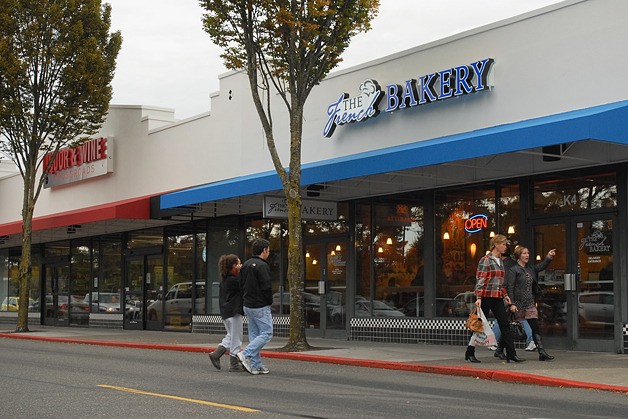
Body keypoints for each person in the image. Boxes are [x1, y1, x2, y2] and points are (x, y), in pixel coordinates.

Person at [465, 234, 524, 363]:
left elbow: (501, 283)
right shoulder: (485, 260)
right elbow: (480, 279)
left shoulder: (500, 262)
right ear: (496, 245)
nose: (505, 247)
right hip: (485, 297)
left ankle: (511, 354)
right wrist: (478, 297)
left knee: (505, 324)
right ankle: (470, 352)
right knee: (478, 324)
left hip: (497, 297)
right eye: (503, 244)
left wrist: (506, 296)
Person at [506, 245, 556, 361]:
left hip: (529, 302)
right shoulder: (514, 270)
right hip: (517, 303)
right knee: (509, 327)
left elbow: (541, 266)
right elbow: (510, 287)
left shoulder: (530, 269)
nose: (527, 255)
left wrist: (549, 257)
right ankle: (500, 350)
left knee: (535, 326)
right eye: (524, 253)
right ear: (519, 255)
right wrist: (512, 303)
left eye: (528, 253)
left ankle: (542, 352)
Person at [237, 238, 273, 375]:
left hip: (248, 304)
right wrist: (269, 301)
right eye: (268, 250)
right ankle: (245, 354)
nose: (269, 253)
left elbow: (241, 284)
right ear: (264, 250)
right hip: (260, 305)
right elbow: (266, 286)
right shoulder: (263, 266)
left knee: (254, 334)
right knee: (267, 333)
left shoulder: (246, 265)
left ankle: (256, 364)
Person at [208, 254, 245, 372]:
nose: (241, 265)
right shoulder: (234, 280)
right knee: (236, 337)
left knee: (230, 335)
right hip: (233, 312)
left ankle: (216, 354)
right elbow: (244, 286)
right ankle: (234, 363)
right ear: (234, 266)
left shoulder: (225, 279)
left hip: (226, 312)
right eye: (239, 263)